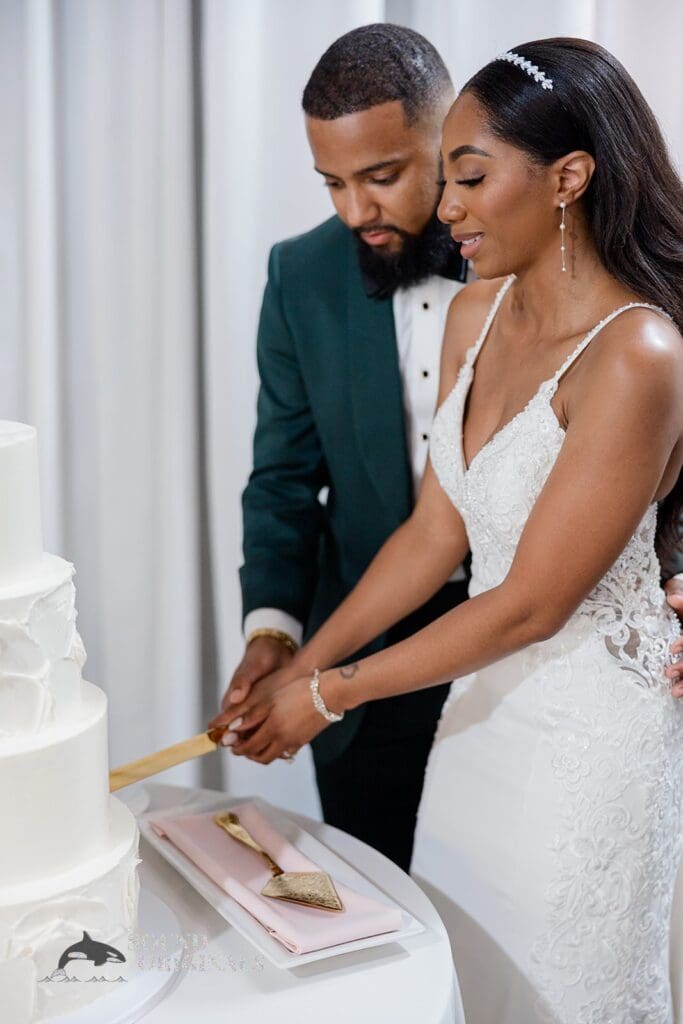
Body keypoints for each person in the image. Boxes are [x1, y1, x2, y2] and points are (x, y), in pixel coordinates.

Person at [222, 37, 683, 1021]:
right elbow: (432, 532)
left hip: (583, 736)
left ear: (567, 179)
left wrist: (328, 693)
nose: (445, 208)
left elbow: (527, 602)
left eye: (464, 176)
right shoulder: (473, 313)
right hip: (474, 726)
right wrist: (299, 660)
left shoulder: (637, 351)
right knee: (456, 979)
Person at [210, 25, 472, 872]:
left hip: (527, 661)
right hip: (359, 659)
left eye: (382, 176)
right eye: (332, 183)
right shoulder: (301, 276)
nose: (355, 211)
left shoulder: (536, 257)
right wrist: (275, 637)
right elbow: (282, 481)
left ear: (451, 133)